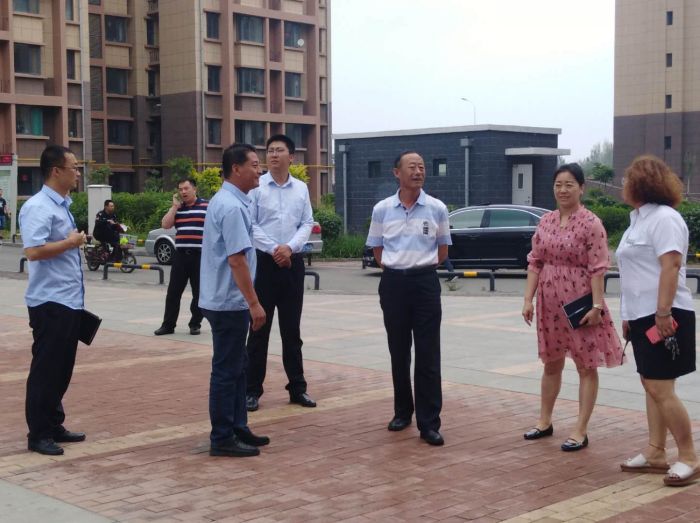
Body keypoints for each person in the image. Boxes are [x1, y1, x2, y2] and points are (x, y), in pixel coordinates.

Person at [522, 163, 623, 451]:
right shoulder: (546, 221)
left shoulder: (591, 223)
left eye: (569, 184)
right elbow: (535, 262)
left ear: (581, 188)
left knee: (586, 365)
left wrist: (596, 306)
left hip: (581, 303)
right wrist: (528, 299)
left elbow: (598, 268)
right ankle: (544, 421)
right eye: (558, 185)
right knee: (551, 362)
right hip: (549, 303)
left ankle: (580, 429)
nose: (563, 190)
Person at [617, 155, 699, 486]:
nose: (623, 184)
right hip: (641, 315)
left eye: (627, 178)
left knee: (660, 386)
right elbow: (632, 273)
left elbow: (671, 265)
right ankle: (656, 451)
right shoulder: (637, 221)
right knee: (650, 382)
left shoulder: (665, 218)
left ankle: (689, 456)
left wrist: (663, 312)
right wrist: (627, 317)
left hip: (666, 314)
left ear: (642, 183)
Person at [366, 151, 451, 446]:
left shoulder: (437, 208)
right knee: (398, 350)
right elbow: (377, 249)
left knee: (428, 354)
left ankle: (430, 423)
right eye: (412, 167)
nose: (418, 172)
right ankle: (402, 411)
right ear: (396, 173)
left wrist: (418, 267)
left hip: (425, 283)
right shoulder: (382, 209)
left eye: (422, 167)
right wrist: (397, 268)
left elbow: (443, 250)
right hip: (393, 284)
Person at [199, 143, 269, 457]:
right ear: (236, 169)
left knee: (238, 367)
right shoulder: (231, 206)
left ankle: (238, 427)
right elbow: (237, 260)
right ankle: (222, 437)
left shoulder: (231, 201)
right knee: (227, 371)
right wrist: (254, 303)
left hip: (225, 299)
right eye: (254, 164)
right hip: (228, 302)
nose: (259, 170)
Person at [19, 145, 88, 456]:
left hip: (68, 300)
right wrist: (70, 242)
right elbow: (33, 251)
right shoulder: (38, 207)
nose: (78, 173)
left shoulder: (62, 205)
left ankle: (53, 423)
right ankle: (38, 433)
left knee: (62, 368)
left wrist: (71, 242)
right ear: (56, 171)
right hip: (50, 302)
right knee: (46, 369)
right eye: (73, 167)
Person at [245, 134, 315, 412]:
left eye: (279, 150)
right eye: (270, 150)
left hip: (292, 264)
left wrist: (290, 248)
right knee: (258, 328)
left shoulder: (301, 189)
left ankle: (297, 388)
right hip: (264, 263)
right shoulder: (257, 187)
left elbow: (307, 222)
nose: (273, 155)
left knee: (291, 331)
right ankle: (251, 390)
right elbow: (251, 224)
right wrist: (276, 249)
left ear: (291, 157)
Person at [154, 179, 208, 336]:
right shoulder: (178, 209)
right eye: (180, 189)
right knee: (173, 292)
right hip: (181, 256)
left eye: (186, 188)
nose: (183, 192)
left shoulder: (207, 206)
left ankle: (195, 323)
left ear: (194, 189)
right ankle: (168, 325)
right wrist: (174, 207)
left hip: (199, 256)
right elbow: (165, 225)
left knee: (199, 293)